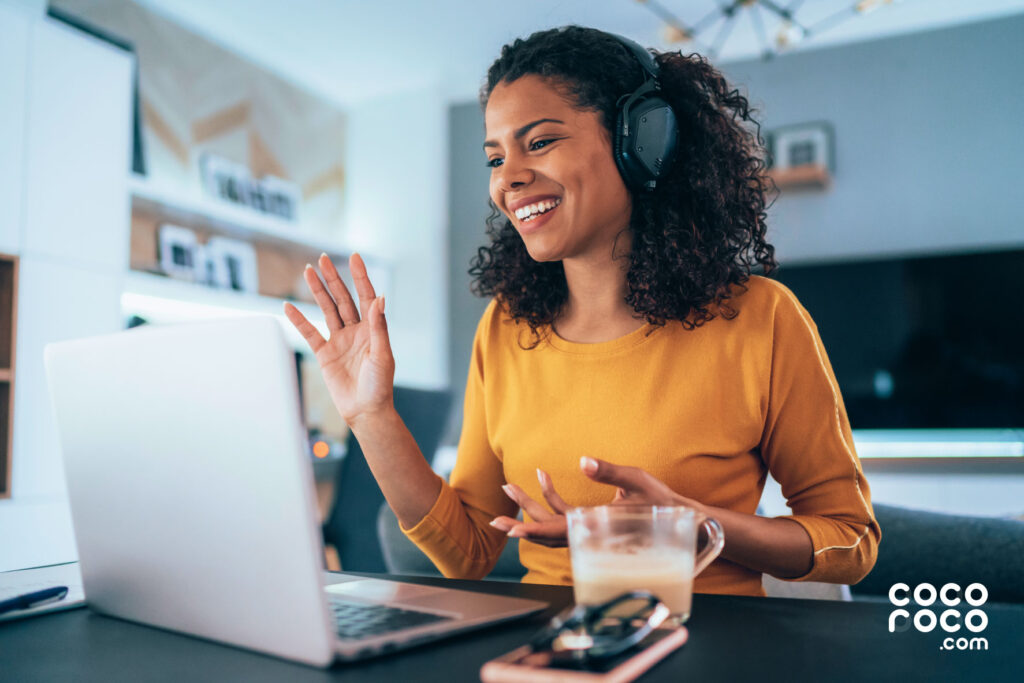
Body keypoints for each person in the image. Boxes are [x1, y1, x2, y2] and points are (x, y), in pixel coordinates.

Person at [284, 26, 880, 597]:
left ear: (643, 142)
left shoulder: (762, 318)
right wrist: (372, 416)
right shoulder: (507, 327)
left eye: (539, 142)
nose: (509, 179)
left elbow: (850, 543)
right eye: (495, 158)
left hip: (706, 641)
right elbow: (468, 553)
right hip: (549, 650)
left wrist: (694, 523)